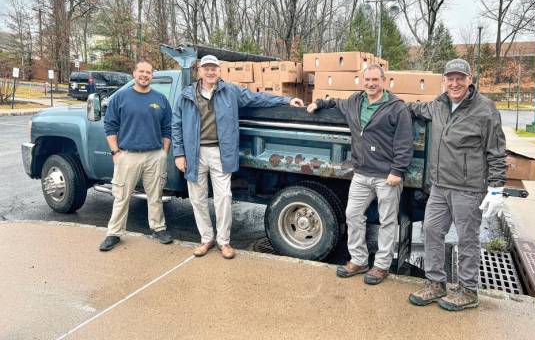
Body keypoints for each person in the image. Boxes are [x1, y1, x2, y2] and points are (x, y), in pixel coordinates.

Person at [172, 55, 304, 260]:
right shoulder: (186, 95)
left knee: (223, 197)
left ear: (219, 71)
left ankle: (224, 242)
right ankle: (206, 239)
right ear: (199, 71)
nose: (210, 72)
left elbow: (257, 97)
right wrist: (179, 153)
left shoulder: (230, 91)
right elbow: (176, 125)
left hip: (220, 152)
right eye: (206, 68)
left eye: (214, 68)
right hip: (194, 153)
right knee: (197, 199)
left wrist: (286, 100)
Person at [408, 58, 507, 311]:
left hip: (468, 188)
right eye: (450, 78)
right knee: (430, 231)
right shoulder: (438, 105)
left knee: (467, 239)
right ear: (444, 80)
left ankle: (468, 290)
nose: (454, 83)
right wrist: (390, 103)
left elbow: (496, 151)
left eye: (460, 78)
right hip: (440, 186)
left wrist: (496, 188)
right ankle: (435, 283)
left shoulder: (485, 109)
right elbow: (415, 109)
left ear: (469, 80)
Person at [307, 64, 413, 285]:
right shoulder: (355, 102)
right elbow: (334, 102)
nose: (371, 84)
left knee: (387, 222)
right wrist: (318, 103)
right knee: (353, 215)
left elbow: (405, 143)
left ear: (384, 81)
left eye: (375, 80)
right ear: (362, 81)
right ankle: (359, 260)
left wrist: (397, 170)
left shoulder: (396, 108)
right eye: (367, 80)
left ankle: (382, 266)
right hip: (362, 173)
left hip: (387, 176)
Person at [99, 61, 173, 251]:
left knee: (155, 196)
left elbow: (167, 128)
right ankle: (114, 233)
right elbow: (110, 125)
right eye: (141, 71)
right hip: (128, 155)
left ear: (152, 76)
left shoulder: (161, 99)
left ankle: (158, 228)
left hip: (155, 156)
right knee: (122, 196)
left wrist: (163, 153)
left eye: (148, 72)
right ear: (134, 73)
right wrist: (115, 151)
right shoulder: (121, 97)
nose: (145, 75)